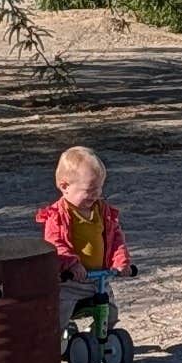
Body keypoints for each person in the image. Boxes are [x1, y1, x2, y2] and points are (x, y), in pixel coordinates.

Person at [41, 144, 136, 348]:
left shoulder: (102, 211)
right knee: (59, 314)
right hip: (71, 281)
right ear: (64, 186)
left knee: (110, 313)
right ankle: (50, 346)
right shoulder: (58, 216)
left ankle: (95, 340)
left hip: (99, 278)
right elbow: (55, 244)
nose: (96, 195)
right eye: (89, 190)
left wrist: (121, 261)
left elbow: (115, 237)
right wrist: (72, 264)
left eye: (99, 189)